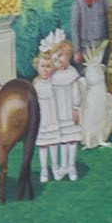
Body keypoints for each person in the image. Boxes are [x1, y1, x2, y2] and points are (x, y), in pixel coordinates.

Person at [69, 0, 112, 148]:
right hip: (86, 52)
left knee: (100, 91)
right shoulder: (79, 2)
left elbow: (109, 19)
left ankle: (100, 130)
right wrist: (77, 49)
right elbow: (74, 26)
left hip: (100, 51)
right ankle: (87, 131)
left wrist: (109, 46)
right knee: (88, 90)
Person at [31, 28, 84, 186]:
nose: (58, 61)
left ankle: (71, 166)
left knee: (71, 139)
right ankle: (60, 167)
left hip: (68, 110)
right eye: (55, 58)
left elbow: (76, 93)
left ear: (68, 56)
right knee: (59, 139)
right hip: (55, 113)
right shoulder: (51, 76)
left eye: (61, 56)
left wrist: (76, 108)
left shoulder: (72, 73)